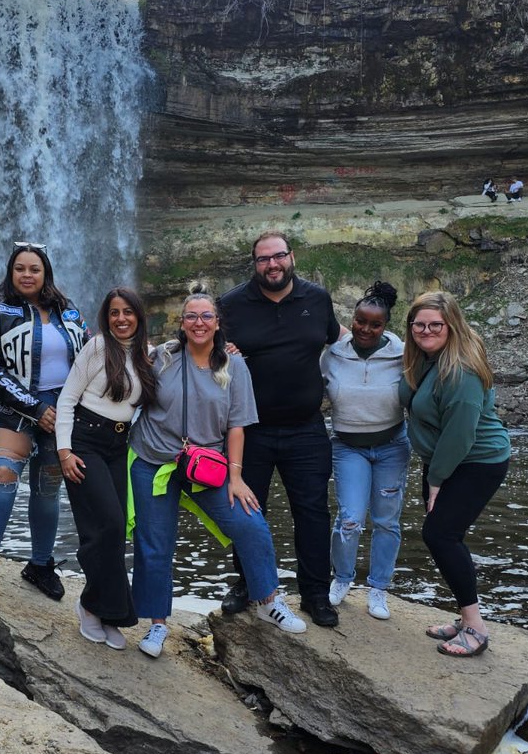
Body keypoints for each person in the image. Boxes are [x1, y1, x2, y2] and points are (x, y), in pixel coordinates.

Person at [130, 289, 307, 659]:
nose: (199, 323)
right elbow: (123, 375)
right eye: (191, 316)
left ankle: (268, 600)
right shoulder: (161, 357)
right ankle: (158, 624)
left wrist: (237, 478)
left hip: (205, 466)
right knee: (155, 544)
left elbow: (238, 427)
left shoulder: (233, 365)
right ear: (181, 322)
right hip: (153, 460)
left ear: (217, 322)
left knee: (250, 522)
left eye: (206, 316)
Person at [218, 231, 342, 627]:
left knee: (313, 512)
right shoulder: (232, 304)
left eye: (278, 257)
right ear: (254, 264)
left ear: (292, 257)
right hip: (249, 429)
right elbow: (208, 355)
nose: (272, 265)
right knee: (246, 513)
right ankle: (247, 584)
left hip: (306, 428)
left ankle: (316, 594)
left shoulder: (317, 298)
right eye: (263, 259)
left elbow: (341, 341)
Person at [0, 242, 87, 606]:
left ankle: (39, 564)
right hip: (8, 410)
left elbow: (95, 356)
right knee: (2, 478)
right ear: (11, 272)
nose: (27, 274)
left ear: (46, 273)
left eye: (34, 269)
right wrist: (33, 407)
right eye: (20, 268)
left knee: (48, 489)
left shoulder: (71, 313)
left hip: (61, 413)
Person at [400, 290, 511, 657]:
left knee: (441, 535)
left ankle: (476, 628)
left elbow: (460, 434)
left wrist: (436, 479)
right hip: (444, 460)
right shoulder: (428, 357)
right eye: (419, 324)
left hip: (476, 461)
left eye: (436, 325)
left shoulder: (460, 370)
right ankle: (466, 618)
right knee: (444, 535)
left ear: (451, 326)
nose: (426, 330)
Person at [56, 288, 156, 651]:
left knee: (114, 533)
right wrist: (64, 452)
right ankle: (90, 606)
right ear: (106, 317)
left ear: (139, 316)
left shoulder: (146, 354)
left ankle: (110, 613)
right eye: (114, 313)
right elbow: (67, 399)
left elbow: (185, 357)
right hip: (85, 442)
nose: (121, 319)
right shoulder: (97, 347)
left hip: (117, 446)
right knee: (108, 523)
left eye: (128, 312)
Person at [321, 281, 410, 621]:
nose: (366, 329)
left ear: (386, 325)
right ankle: (342, 578)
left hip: (391, 448)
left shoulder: (402, 354)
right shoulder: (333, 353)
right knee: (350, 519)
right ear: (352, 318)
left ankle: (379, 588)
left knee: (387, 520)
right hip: (348, 448)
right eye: (360, 320)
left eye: (375, 324)